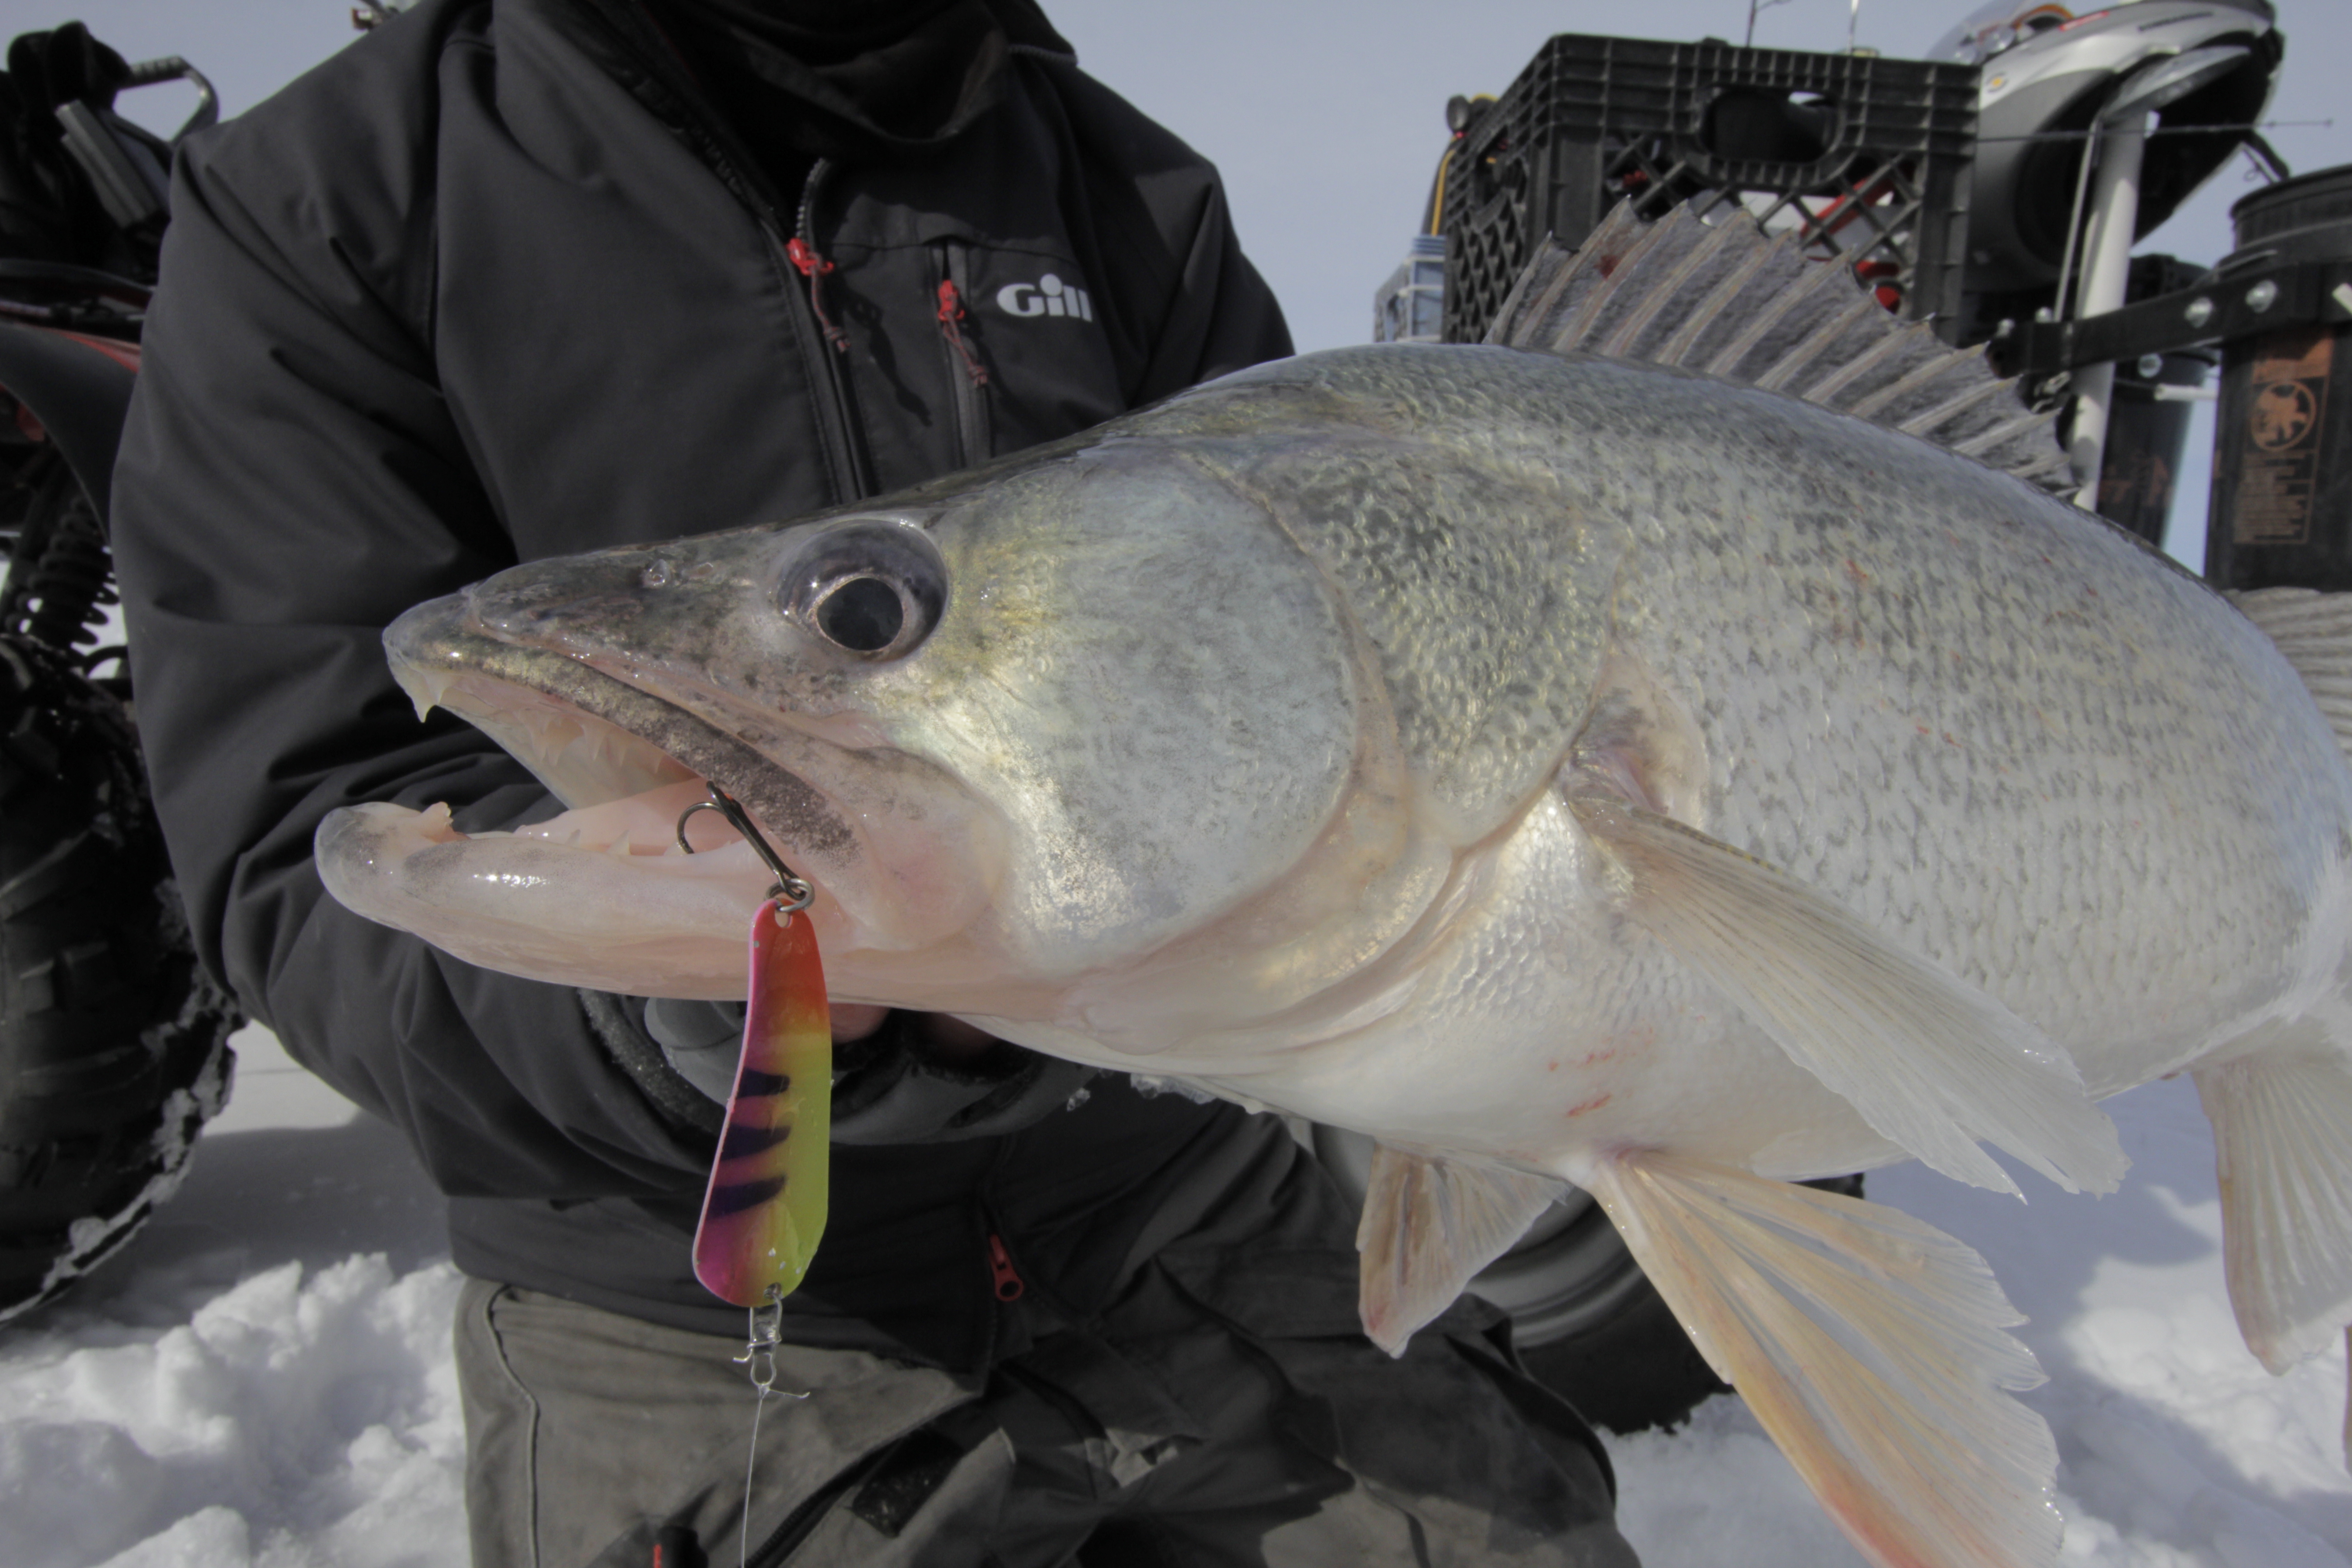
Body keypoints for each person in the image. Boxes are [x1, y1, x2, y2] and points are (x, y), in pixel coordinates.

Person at [111, 2, 1642, 1563]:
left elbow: (1322, 678)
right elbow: (311, 840)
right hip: (696, 1298)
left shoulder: (1120, 181)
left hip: (1174, 1194)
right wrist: (691, 1023)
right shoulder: (336, 192)